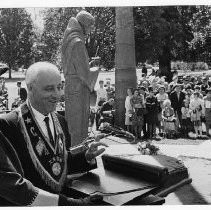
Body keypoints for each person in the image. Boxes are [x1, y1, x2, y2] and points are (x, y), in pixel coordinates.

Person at [0, 62, 107, 206]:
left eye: (59, 87)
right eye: (49, 89)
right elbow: (12, 185)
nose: (56, 95)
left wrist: (85, 157)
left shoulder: (61, 121)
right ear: (30, 89)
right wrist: (69, 203)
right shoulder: (8, 125)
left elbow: (55, 164)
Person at [61, 10, 100, 145]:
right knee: (78, 126)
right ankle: (78, 158)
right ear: (83, 25)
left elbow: (75, 68)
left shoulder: (69, 40)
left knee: (73, 124)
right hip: (78, 90)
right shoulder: (77, 42)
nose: (90, 30)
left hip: (71, 87)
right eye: (90, 26)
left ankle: (75, 154)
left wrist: (89, 65)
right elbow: (84, 75)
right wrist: (96, 69)